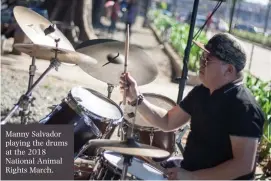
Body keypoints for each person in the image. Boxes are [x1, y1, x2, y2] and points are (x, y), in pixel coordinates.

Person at [119, 33, 265, 180]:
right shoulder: (201, 92)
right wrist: (136, 97)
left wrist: (192, 177)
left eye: (208, 60)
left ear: (229, 70)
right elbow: (168, 121)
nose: (201, 62)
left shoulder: (244, 107)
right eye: (202, 56)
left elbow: (243, 165)